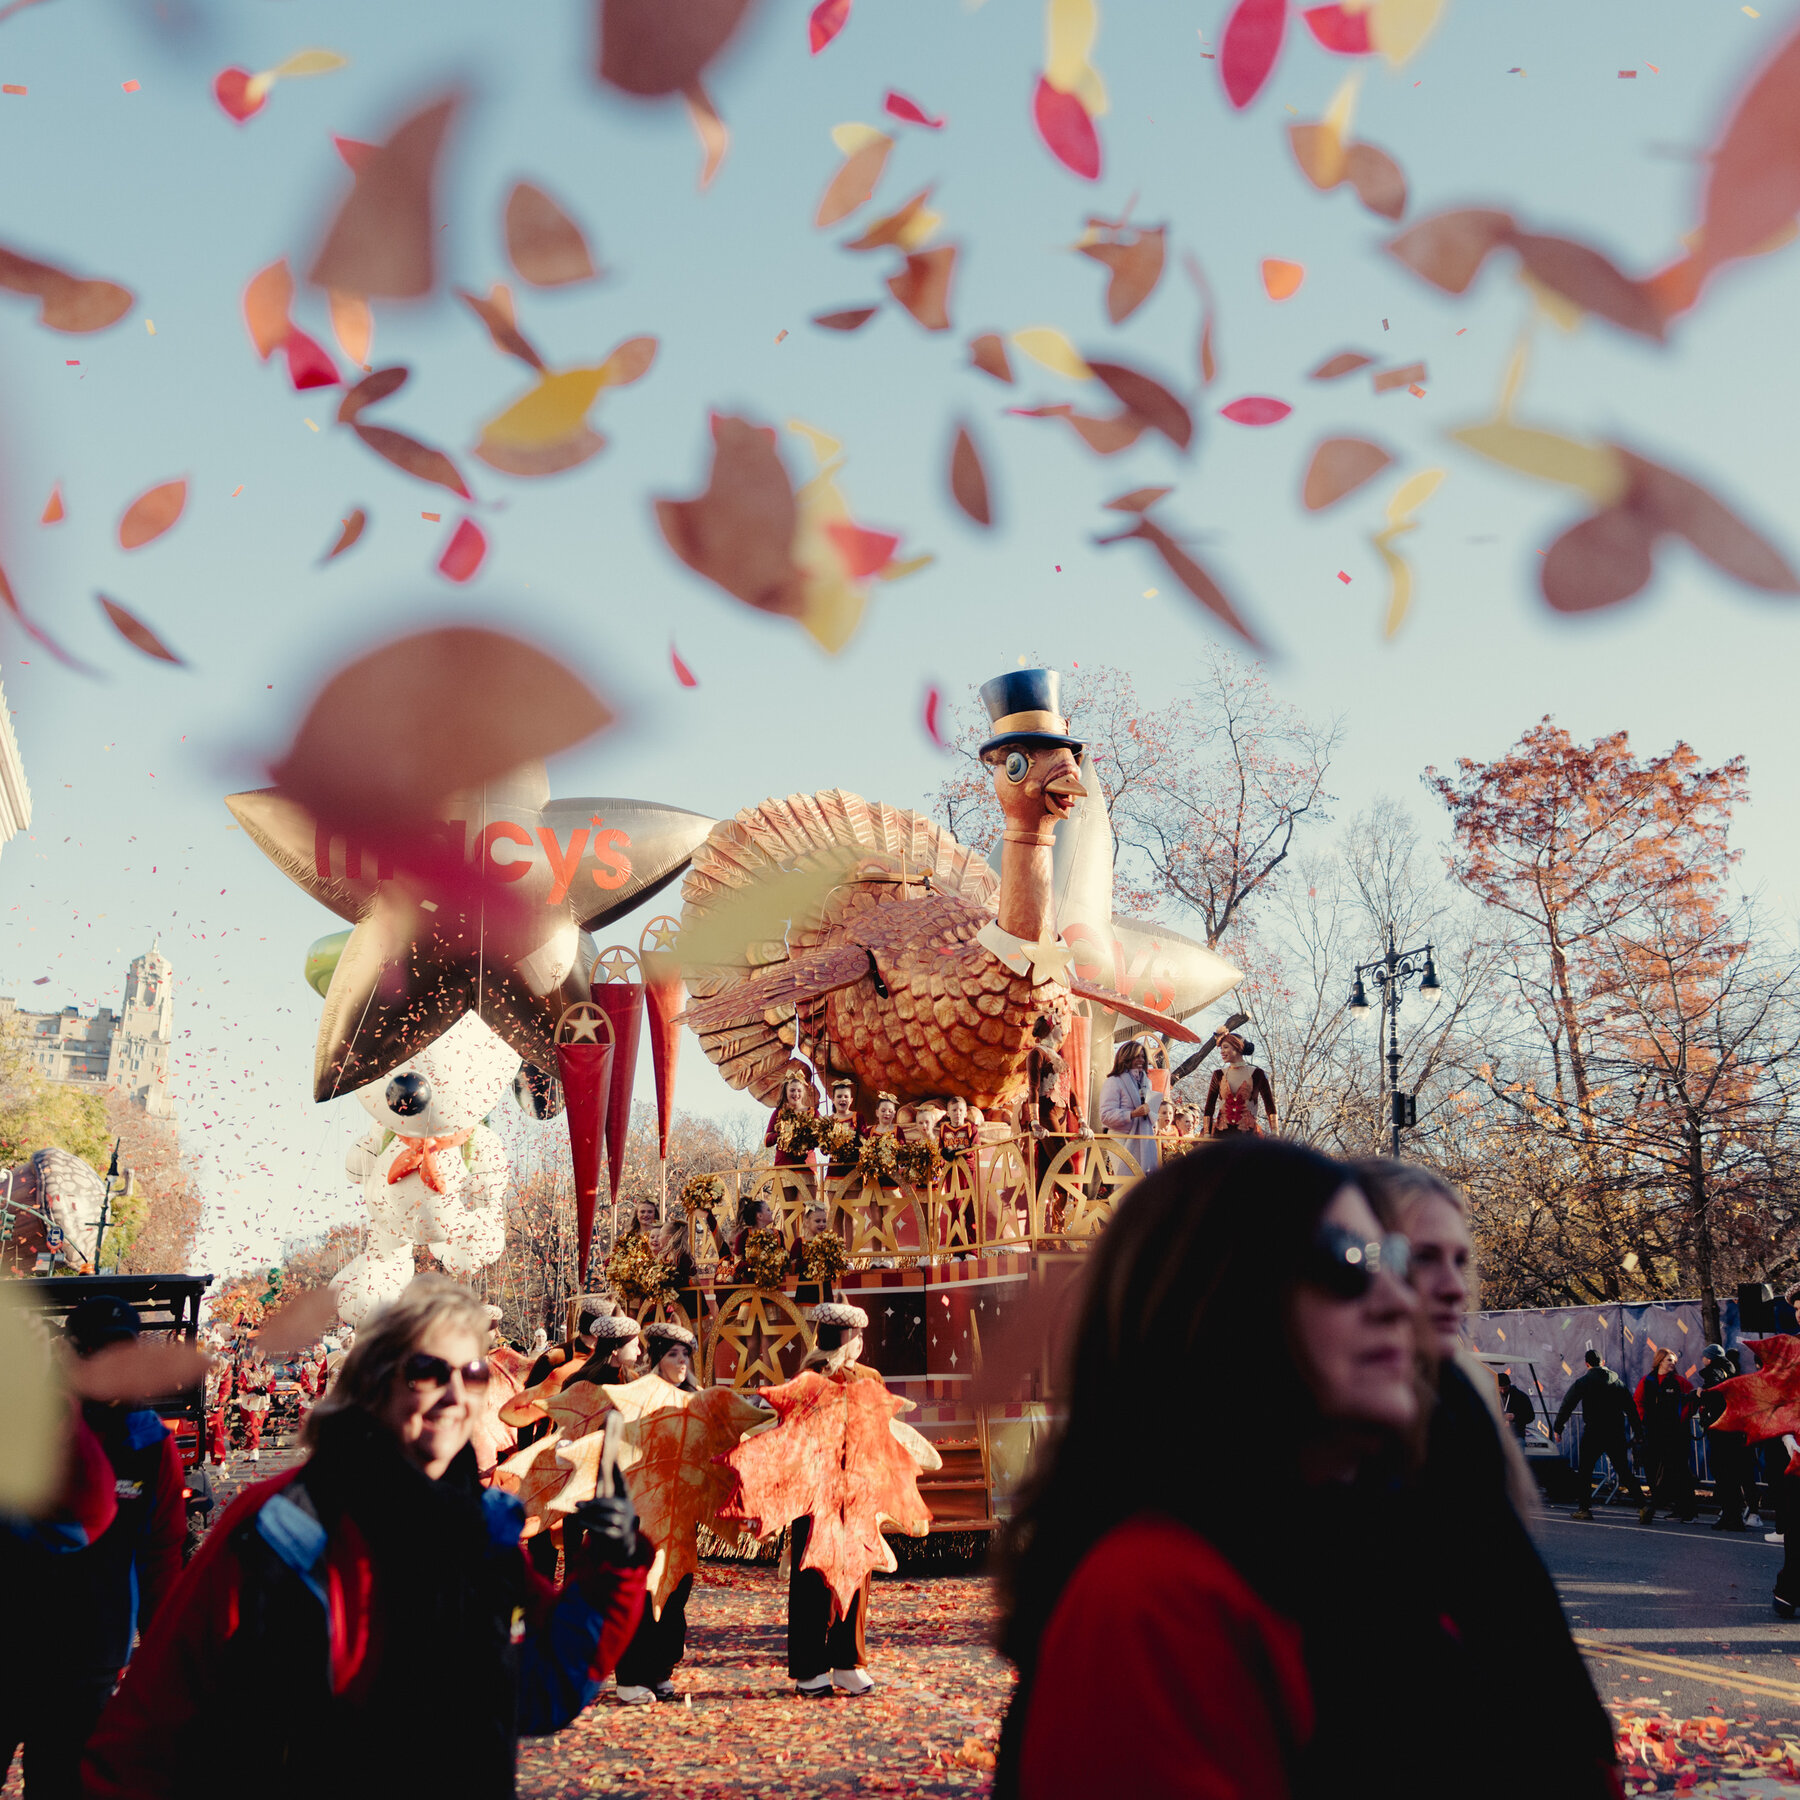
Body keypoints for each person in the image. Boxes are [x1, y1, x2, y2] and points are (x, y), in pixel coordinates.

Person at [992, 1137, 1617, 1800]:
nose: (1401, 1302)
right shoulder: (1153, 1602)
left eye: (1393, 1261)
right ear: (1219, 1297)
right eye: (1346, 1263)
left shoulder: (1353, 1537)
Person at [82, 1275, 649, 1800]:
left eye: (472, 1374)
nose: (455, 1396)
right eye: (429, 1371)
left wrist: (613, 1572)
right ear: (374, 1383)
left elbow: (544, 1688)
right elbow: (154, 1721)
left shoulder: (483, 1530)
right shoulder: (285, 1523)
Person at [1354, 1161, 1618, 1793]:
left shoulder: (1458, 1404)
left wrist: (1588, 1752)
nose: (1452, 1288)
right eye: (1422, 1259)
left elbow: (1517, 1605)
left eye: (1459, 1261)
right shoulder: (1322, 1436)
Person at [1, 1297, 187, 1800]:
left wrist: (163, 1662)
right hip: (9, 1639)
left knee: (60, 1785)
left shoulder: (150, 1444)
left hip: (86, 1657)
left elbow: (162, 1552)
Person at [788, 1303, 881, 1697]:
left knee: (856, 1576)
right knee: (813, 1580)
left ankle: (848, 1661)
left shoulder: (870, 1378)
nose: (861, 1343)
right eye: (856, 1337)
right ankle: (809, 1668)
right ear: (844, 1341)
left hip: (857, 1491)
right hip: (815, 1492)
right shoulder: (807, 1380)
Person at [614, 1322, 703, 1706]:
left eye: (685, 1355)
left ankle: (662, 1670)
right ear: (657, 1358)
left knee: (676, 1592)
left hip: (681, 1512)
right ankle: (632, 1675)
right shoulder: (640, 1397)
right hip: (644, 1509)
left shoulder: (698, 1398)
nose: (681, 1362)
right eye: (673, 1354)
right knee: (644, 1590)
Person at [1553, 1348, 1647, 1521]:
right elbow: (1631, 1409)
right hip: (1615, 1431)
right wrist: (1638, 1432)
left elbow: (1568, 1404)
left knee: (1585, 1471)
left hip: (1594, 1431)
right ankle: (1643, 1505)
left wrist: (1558, 1427)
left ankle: (1584, 1509)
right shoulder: (1617, 1382)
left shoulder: (1583, 1382)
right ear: (1603, 1362)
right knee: (1623, 1471)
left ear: (1587, 1364)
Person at [1635, 1347, 1698, 1523]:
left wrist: (1682, 1418)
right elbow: (1638, 1401)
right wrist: (1643, 1419)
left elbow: (1692, 1402)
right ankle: (1672, 1506)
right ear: (1660, 1360)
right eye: (1669, 1360)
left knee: (1680, 1471)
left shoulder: (1680, 1382)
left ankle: (1687, 1510)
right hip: (1654, 1432)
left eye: (1674, 1361)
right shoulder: (1647, 1381)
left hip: (1676, 1434)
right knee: (1656, 1470)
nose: (1673, 1363)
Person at [1699, 1343, 1753, 1531]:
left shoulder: (1714, 1373)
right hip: (1733, 1431)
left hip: (1722, 1431)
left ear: (1710, 1358)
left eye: (1704, 1356)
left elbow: (1715, 1395)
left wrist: (1702, 1394)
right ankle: (1733, 1516)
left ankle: (1732, 1517)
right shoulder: (1731, 1371)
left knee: (1724, 1475)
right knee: (1731, 1476)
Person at [1097, 1038, 1159, 1173]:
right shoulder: (1113, 1081)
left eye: (1143, 1057)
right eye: (1137, 1056)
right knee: (1126, 1183)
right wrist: (1132, 1114)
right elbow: (1105, 1116)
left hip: (1145, 1139)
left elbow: (1150, 1112)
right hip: (1121, 1138)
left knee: (1145, 1183)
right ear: (1127, 1057)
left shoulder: (1147, 1083)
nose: (1142, 1060)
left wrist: (1153, 1114)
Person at [1203, 1032, 1277, 1136]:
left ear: (1237, 1047)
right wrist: (1207, 1132)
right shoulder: (1218, 1074)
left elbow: (1269, 1104)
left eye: (1225, 1047)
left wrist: (1275, 1131)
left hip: (1247, 1136)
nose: (1222, 1052)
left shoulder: (1257, 1073)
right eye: (1221, 1048)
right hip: (1221, 1135)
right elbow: (1209, 1106)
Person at [1495, 1371, 1535, 1441]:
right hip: (1496, 1433)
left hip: (1516, 1435)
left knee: (1519, 1444)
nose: (1503, 1391)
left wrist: (1515, 1417)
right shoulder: (1491, 1397)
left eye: (1505, 1388)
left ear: (1509, 1385)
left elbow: (1530, 1416)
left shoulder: (1521, 1397)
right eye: (1500, 1388)